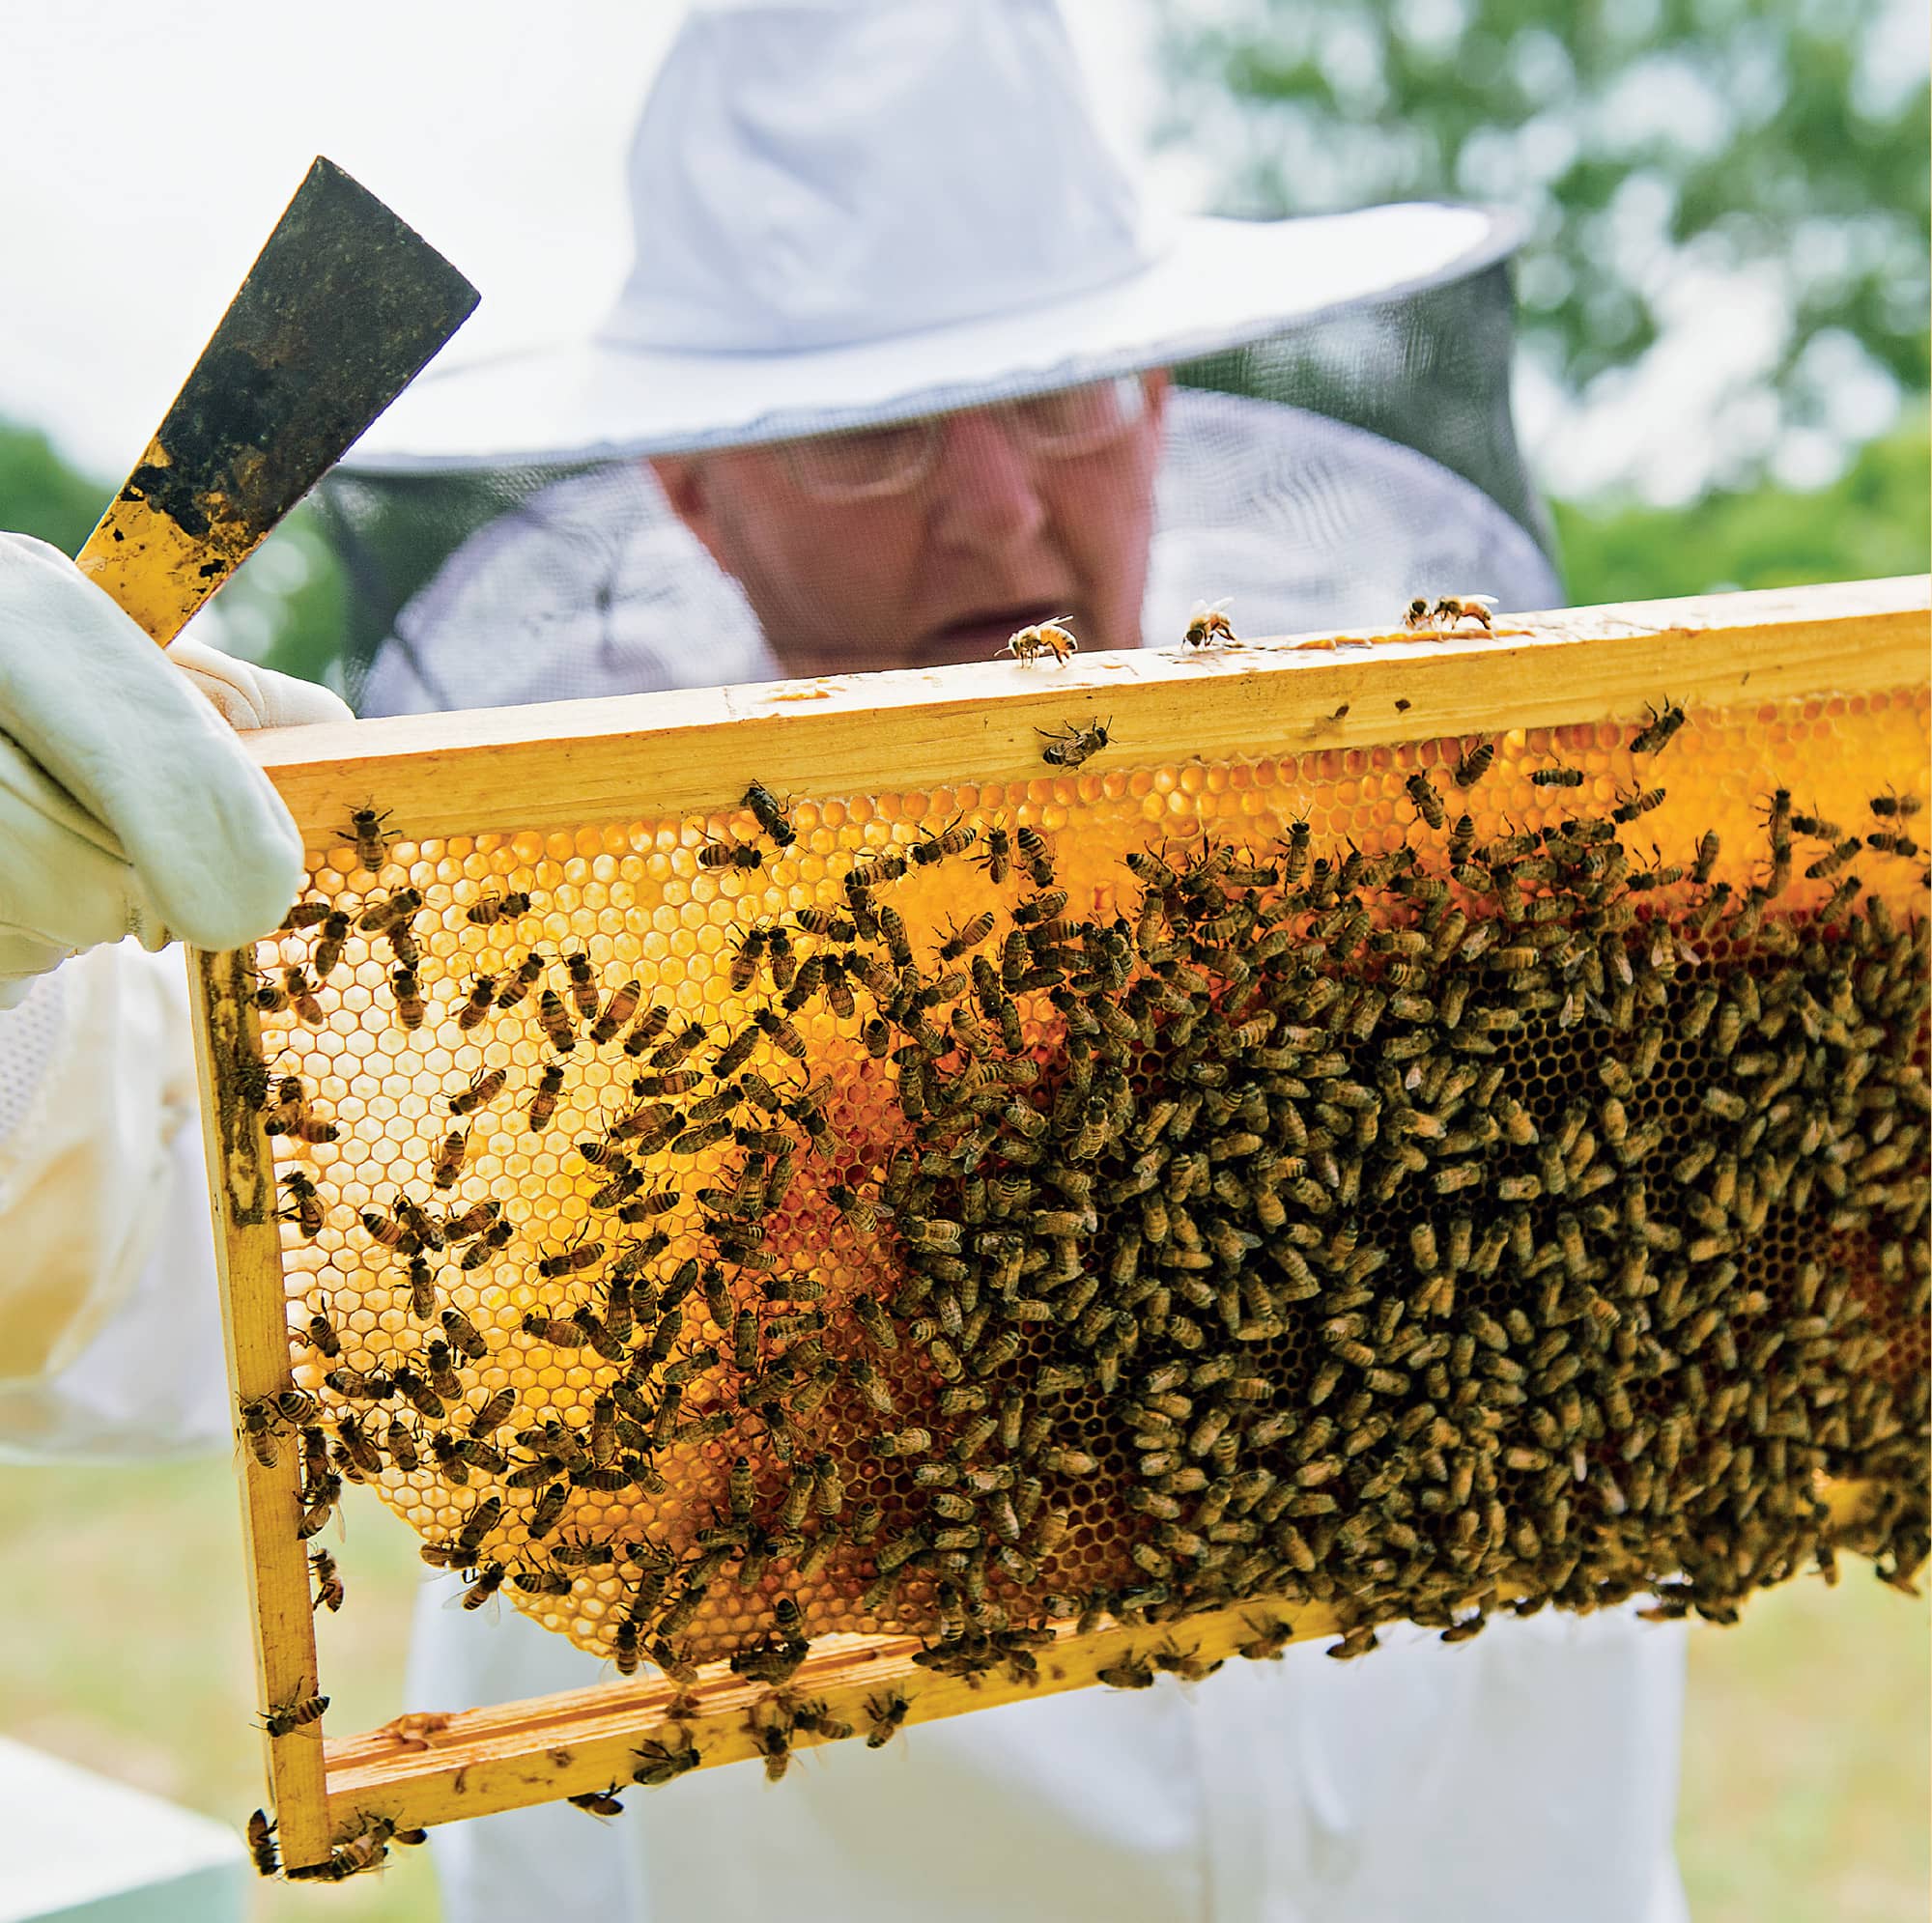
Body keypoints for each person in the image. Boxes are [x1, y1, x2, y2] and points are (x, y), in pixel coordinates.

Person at [0, 4, 1690, 1919]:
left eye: (1062, 403)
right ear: (693, 489)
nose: (997, 509)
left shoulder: (1501, 854)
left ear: (1153, 407)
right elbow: (84, 1226)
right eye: (874, 433)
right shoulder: (510, 979)